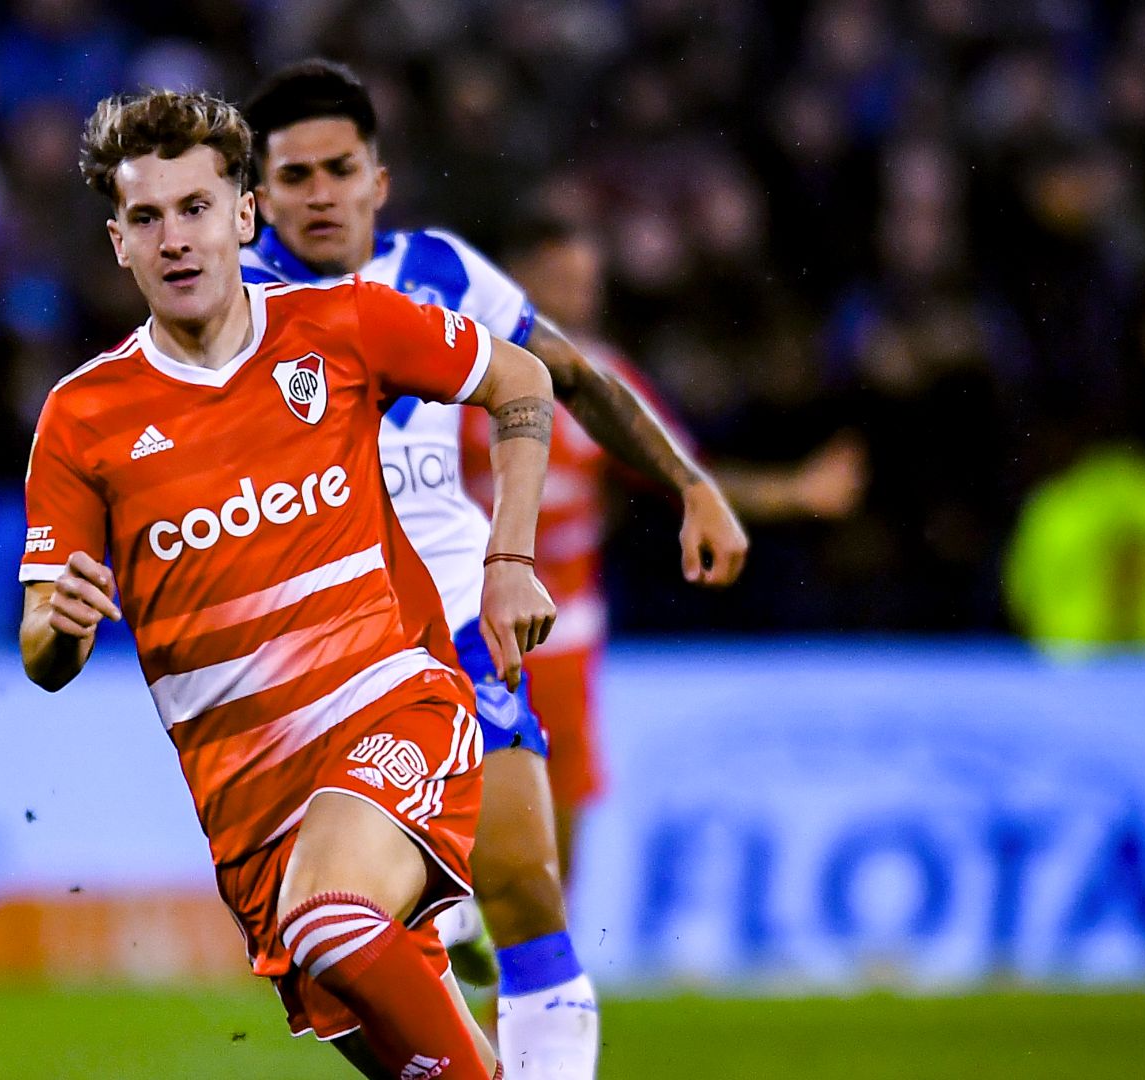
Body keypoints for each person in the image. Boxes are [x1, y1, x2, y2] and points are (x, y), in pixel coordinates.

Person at [22, 88, 562, 1080]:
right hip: (251, 816)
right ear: (118, 241)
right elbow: (43, 655)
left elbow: (521, 380)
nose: (175, 238)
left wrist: (509, 561)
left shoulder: (341, 324)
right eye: (147, 217)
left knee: (330, 919)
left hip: (395, 712)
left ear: (242, 216)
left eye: (195, 209)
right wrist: (56, 626)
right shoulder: (81, 419)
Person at [241, 60, 749, 1078]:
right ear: (259, 195)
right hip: (317, 652)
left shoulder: (442, 270)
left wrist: (691, 483)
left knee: (527, 887)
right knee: (337, 948)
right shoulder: (225, 306)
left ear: (377, 179)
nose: (321, 191)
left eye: (340, 167)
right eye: (294, 176)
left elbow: (571, 377)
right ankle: (442, 931)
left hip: (459, 616)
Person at [472, 218, 865, 889]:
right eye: (563, 282)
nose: (581, 298)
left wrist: (797, 492)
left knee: (559, 835)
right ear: (519, 283)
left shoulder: (603, 382)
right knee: (467, 824)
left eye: (588, 284)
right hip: (470, 635)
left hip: (569, 639)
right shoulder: (460, 374)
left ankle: (539, 977)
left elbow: (686, 475)